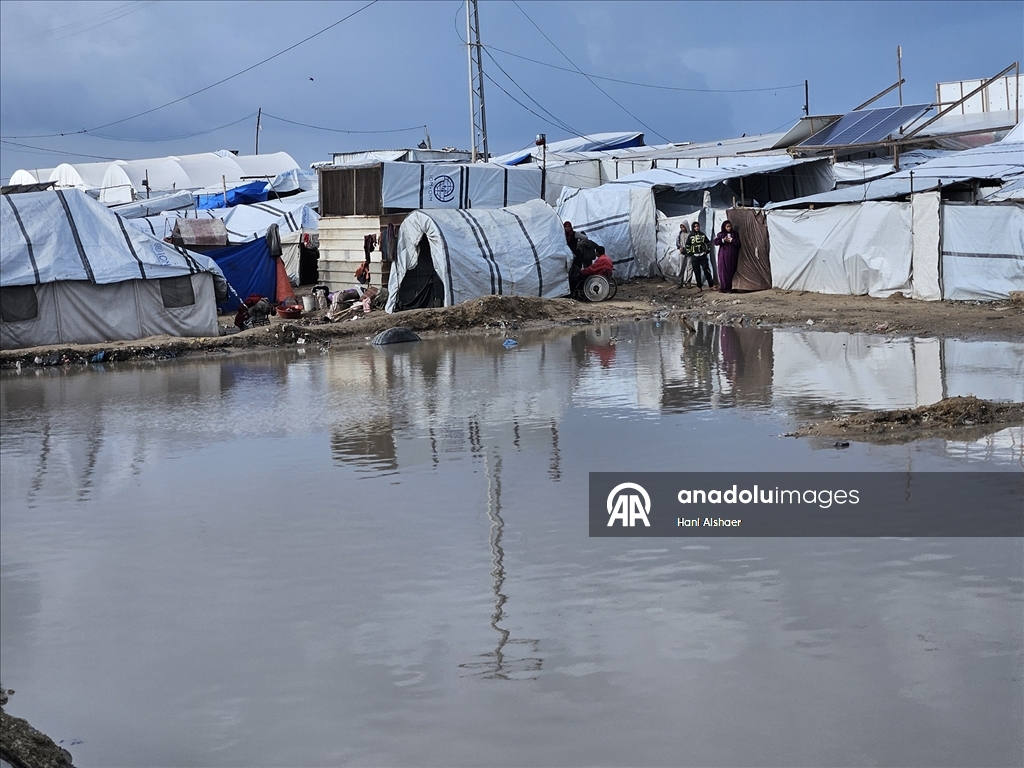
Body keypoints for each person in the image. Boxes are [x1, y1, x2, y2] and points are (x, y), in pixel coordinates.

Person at [683, 220, 714, 292]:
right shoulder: (690, 236)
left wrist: (707, 250)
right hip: (694, 256)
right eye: (695, 226)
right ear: (693, 228)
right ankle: (699, 287)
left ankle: (711, 285)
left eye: (697, 226)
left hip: (702, 255)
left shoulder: (702, 235)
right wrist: (690, 253)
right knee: (697, 272)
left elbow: (708, 242)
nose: (696, 228)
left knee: (707, 270)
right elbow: (687, 245)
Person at [714, 220, 741, 293]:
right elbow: (715, 242)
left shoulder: (734, 234)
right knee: (723, 271)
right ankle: (724, 288)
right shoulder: (721, 234)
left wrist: (732, 240)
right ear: (724, 227)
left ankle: (730, 287)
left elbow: (738, 243)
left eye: (730, 226)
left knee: (731, 271)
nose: (729, 228)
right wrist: (723, 240)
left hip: (732, 256)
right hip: (723, 256)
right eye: (727, 227)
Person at [676, 222, 693, 287]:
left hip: (689, 253)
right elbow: (677, 242)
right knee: (681, 268)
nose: (682, 229)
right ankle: (680, 282)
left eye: (683, 227)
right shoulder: (680, 233)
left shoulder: (691, 234)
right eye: (681, 227)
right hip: (682, 253)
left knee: (690, 268)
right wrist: (679, 247)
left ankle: (688, 282)